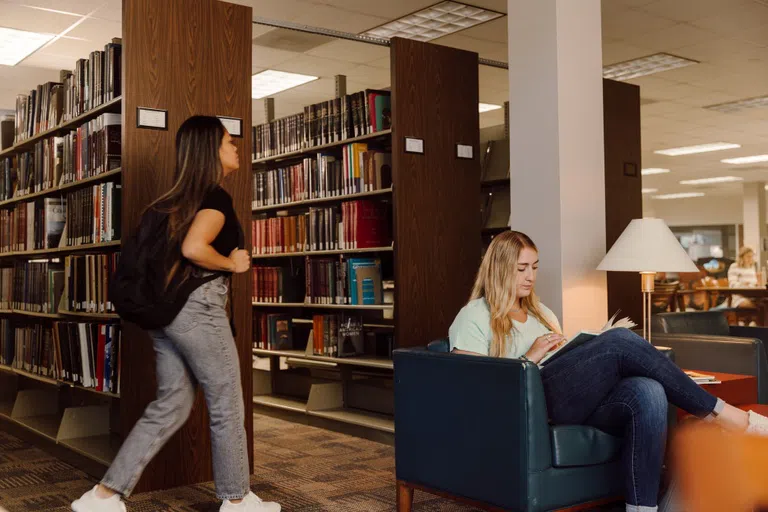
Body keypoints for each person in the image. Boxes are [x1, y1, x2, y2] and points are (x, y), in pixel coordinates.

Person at [449, 230, 768, 512]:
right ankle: (722, 414)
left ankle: (641, 507)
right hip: (528, 406)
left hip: (569, 400)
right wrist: (529, 357)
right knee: (619, 341)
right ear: (500, 268)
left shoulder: (542, 313)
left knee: (648, 390)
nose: (530, 276)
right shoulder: (474, 316)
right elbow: (476, 385)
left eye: (534, 267)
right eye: (521, 269)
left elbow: (566, 365)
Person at [72, 116, 280, 512]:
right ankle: (237, 501)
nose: (235, 148)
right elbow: (193, 249)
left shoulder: (173, 201)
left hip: (166, 317)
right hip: (197, 311)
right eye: (228, 142)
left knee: (172, 405)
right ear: (210, 151)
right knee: (227, 403)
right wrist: (231, 263)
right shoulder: (215, 198)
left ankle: (103, 496)